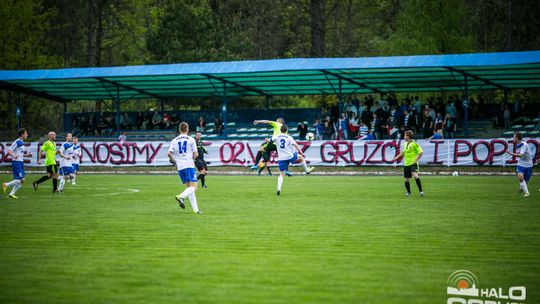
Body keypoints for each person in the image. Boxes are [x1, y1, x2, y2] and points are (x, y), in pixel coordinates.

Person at [168, 122, 201, 214]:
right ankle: (181, 196)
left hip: (180, 166)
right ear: (187, 129)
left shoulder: (174, 140)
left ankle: (196, 210)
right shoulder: (191, 139)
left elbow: (169, 153)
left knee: (189, 188)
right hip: (188, 165)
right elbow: (196, 153)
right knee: (194, 187)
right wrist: (193, 158)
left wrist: (175, 161)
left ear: (179, 130)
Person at [274, 125, 313, 196]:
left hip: (281, 158)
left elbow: (271, 140)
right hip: (290, 156)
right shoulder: (289, 137)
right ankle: (307, 170)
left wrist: (268, 140)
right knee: (301, 157)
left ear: (280, 130)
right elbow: (296, 145)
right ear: (286, 130)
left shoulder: (276, 137)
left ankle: (279, 188)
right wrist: (301, 153)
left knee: (282, 174)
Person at [393, 130, 424, 197]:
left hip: (413, 163)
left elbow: (421, 152)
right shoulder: (405, 144)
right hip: (406, 164)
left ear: (408, 136)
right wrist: (396, 157)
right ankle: (408, 192)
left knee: (415, 175)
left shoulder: (414, 144)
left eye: (405, 135)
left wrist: (416, 160)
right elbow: (403, 152)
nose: (404, 136)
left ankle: (421, 191)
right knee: (406, 179)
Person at [2, 129, 32, 199]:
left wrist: (26, 155)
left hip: (20, 162)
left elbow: (20, 153)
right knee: (22, 180)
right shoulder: (17, 142)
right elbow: (9, 151)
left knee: (19, 182)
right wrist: (14, 156)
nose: (27, 135)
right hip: (17, 163)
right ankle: (6, 184)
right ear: (22, 134)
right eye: (26, 133)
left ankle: (11, 194)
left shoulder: (21, 142)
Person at [506, 132, 533, 197]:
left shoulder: (524, 144)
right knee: (520, 177)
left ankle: (522, 187)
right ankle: (527, 193)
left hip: (529, 165)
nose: (513, 138)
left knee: (525, 182)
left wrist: (511, 153)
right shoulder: (518, 144)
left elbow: (521, 155)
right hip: (521, 164)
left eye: (514, 137)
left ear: (517, 138)